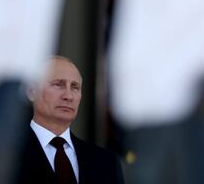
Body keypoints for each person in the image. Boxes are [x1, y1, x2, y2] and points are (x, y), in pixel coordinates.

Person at [17, 55, 124, 184]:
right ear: (32, 91)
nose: (68, 96)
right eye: (58, 85)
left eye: (75, 87)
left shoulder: (107, 162)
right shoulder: (7, 157)